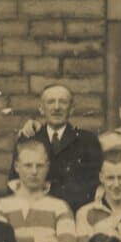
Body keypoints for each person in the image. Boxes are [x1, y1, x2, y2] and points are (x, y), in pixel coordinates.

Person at [10, 82, 103, 213]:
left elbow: (95, 184)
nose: (57, 107)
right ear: (41, 109)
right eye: (50, 102)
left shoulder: (87, 141)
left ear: (71, 109)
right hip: (36, 213)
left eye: (63, 102)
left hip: (75, 215)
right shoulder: (29, 138)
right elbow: (14, 183)